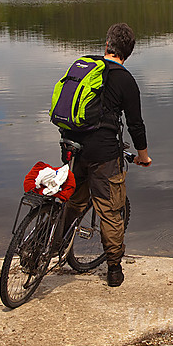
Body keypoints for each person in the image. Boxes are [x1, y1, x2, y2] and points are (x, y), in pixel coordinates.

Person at [61, 23, 152, 287]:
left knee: (74, 202)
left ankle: (50, 247)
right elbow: (136, 124)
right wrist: (142, 155)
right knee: (111, 210)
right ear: (129, 53)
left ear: (106, 46)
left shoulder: (86, 69)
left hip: (71, 146)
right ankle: (113, 269)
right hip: (104, 154)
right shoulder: (126, 80)